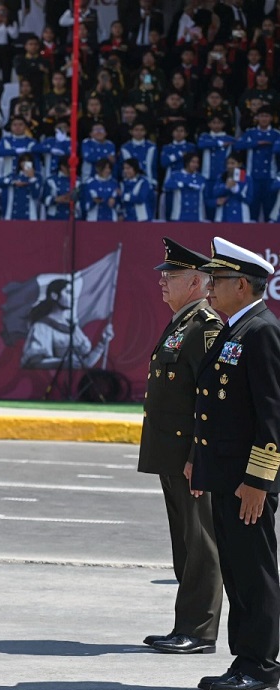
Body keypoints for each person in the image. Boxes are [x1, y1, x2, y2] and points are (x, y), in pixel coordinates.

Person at [190, 237, 280, 690]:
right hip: (227, 476)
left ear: (242, 285)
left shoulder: (261, 332)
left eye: (217, 280)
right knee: (238, 570)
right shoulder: (235, 329)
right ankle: (245, 659)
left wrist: (258, 480)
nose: (208, 288)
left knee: (255, 571)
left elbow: (272, 415)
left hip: (247, 482)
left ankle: (261, 666)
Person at [138, 238, 224, 655]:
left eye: (171, 276)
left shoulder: (205, 327)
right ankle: (184, 625)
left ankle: (200, 630)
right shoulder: (182, 323)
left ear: (195, 282)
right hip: (171, 454)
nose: (162, 282)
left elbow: (210, 401)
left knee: (201, 542)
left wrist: (197, 455)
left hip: (190, 457)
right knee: (185, 542)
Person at [21, 278, 114, 369]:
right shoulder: (41, 326)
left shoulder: (72, 327)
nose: (73, 297)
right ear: (54, 296)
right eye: (68, 292)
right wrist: (63, 363)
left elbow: (85, 364)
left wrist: (102, 343)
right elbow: (35, 363)